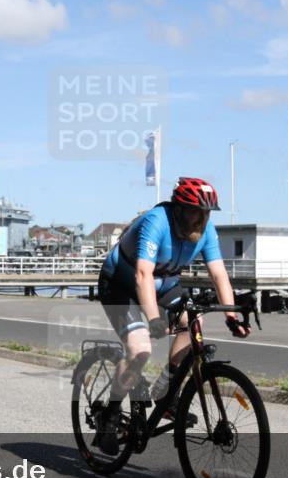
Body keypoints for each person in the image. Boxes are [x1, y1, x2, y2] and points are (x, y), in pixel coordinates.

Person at [95, 177, 250, 455]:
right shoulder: (157, 222)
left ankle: (166, 394)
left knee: (193, 325)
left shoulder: (205, 230)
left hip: (164, 283)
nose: (200, 219)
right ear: (178, 208)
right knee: (139, 349)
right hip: (122, 282)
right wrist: (154, 319)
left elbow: (219, 274)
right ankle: (110, 416)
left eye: (206, 213)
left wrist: (231, 316)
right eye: (195, 211)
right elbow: (142, 275)